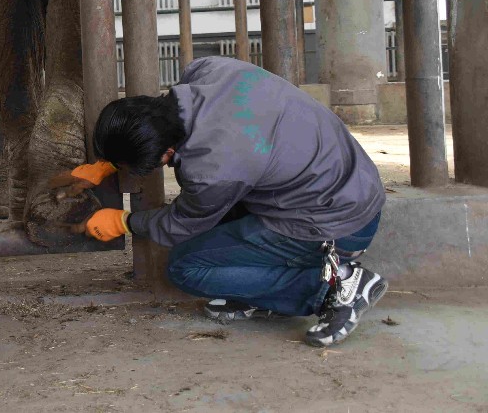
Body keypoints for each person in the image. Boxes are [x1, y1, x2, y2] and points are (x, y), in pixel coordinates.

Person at [62, 56, 388, 347]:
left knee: (186, 267)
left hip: (336, 224)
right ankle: (260, 292)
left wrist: (124, 221)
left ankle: (335, 286)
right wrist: (111, 161)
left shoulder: (212, 171)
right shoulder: (209, 70)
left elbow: (180, 223)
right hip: (352, 183)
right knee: (220, 225)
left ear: (166, 153)